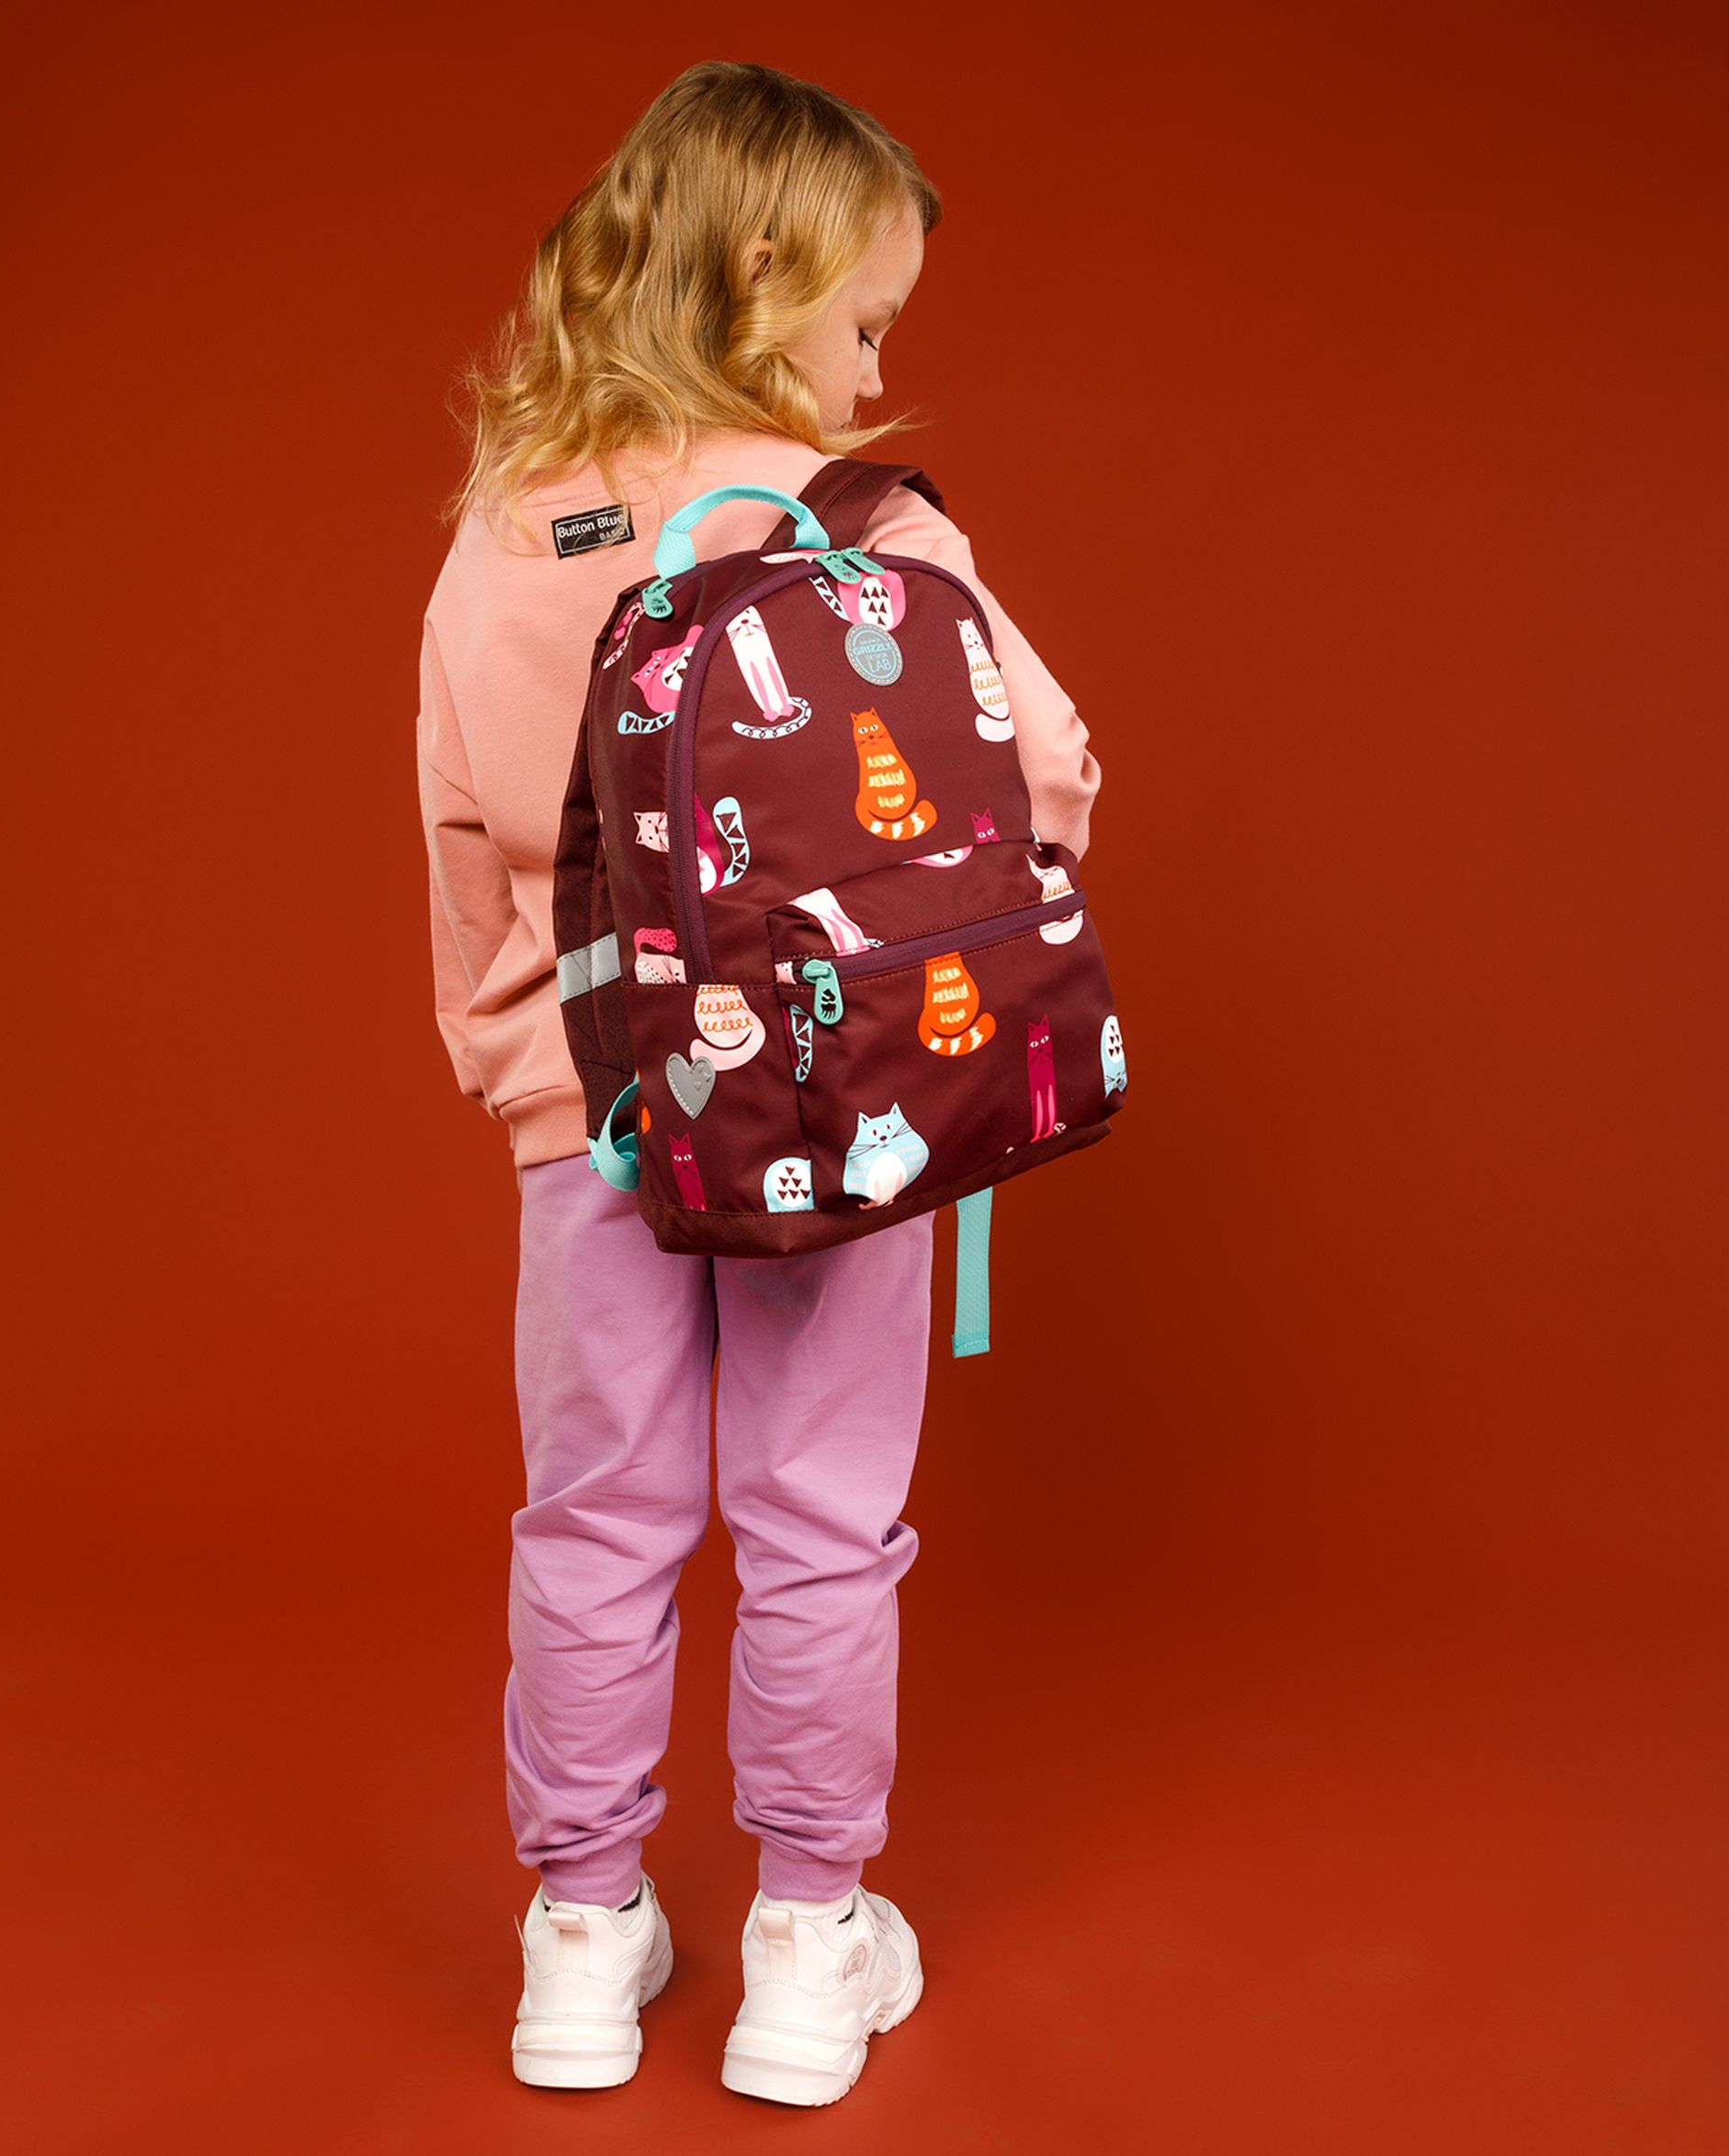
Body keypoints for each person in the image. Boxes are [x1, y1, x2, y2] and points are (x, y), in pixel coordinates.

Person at [414, 61, 1101, 2106]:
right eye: (866, 322)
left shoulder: (505, 526)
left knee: (594, 1514)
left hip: (593, 1110)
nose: (876, 371)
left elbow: (461, 836)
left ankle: (576, 1933)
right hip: (837, 1104)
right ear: (772, 276)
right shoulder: (858, 532)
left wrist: (518, 1070)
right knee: (818, 1515)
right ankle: (807, 1938)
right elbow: (1049, 771)